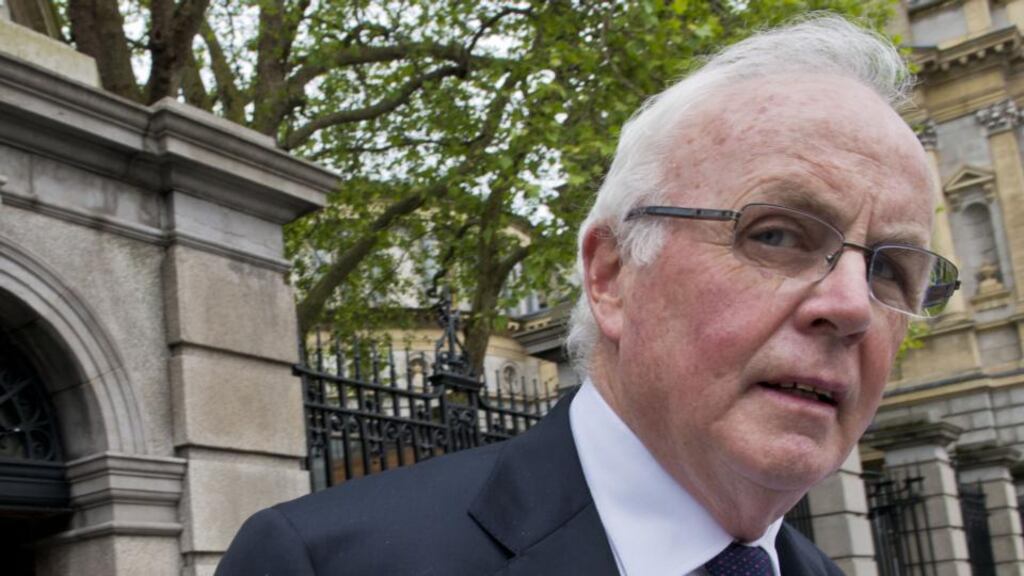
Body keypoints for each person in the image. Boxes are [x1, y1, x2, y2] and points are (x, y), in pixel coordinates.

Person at [217, 14, 960, 576]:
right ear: (610, 276)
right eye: (775, 236)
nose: (852, 305)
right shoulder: (325, 564)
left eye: (892, 270)